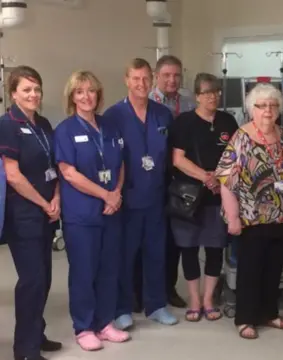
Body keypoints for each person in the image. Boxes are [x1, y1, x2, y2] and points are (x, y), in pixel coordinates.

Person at [216, 83, 283, 340]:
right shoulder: (242, 137)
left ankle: (269, 313)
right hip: (251, 217)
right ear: (251, 109)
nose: (268, 111)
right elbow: (225, 179)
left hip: (282, 214)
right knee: (251, 270)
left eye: (273, 105)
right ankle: (245, 318)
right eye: (262, 106)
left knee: (274, 268)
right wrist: (233, 218)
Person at [54, 70, 130, 350]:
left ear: (98, 94)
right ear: (72, 97)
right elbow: (69, 173)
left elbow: (121, 163)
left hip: (111, 211)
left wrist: (116, 193)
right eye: (79, 91)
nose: (87, 96)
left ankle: (105, 322)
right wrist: (106, 195)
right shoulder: (65, 130)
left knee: (109, 268)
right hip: (82, 215)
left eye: (91, 90)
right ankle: (84, 326)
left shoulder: (109, 126)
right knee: (84, 271)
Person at [104, 58, 178, 330]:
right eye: (136, 78)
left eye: (146, 78)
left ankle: (156, 305)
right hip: (127, 199)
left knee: (156, 253)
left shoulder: (162, 114)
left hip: (156, 198)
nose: (141, 84)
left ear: (153, 79)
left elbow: (170, 155)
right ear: (126, 80)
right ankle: (122, 309)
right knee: (125, 256)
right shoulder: (113, 116)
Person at [0, 65, 62, 360]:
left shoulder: (45, 124)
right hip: (23, 214)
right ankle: (24, 349)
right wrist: (43, 202)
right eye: (26, 89)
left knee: (45, 278)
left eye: (36, 89)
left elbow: (55, 167)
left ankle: (37, 333)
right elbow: (12, 175)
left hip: (47, 212)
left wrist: (57, 200)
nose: (33, 94)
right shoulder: (7, 125)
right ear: (13, 94)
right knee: (32, 279)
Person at [169, 73, 238, 322]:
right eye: (207, 92)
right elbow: (177, 159)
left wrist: (220, 180)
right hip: (189, 197)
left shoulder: (228, 121)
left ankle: (208, 298)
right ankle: (194, 299)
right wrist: (206, 177)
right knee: (188, 249)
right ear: (197, 96)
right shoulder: (184, 122)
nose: (213, 96)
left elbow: (235, 157)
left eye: (217, 92)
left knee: (215, 249)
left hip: (219, 197)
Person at [146, 54, 196, 310]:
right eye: (166, 75)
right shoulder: (147, 102)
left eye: (176, 75)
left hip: (181, 177)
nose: (172, 80)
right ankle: (140, 290)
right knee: (147, 236)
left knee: (174, 239)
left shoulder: (189, 102)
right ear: (156, 76)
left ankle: (168, 289)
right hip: (152, 175)